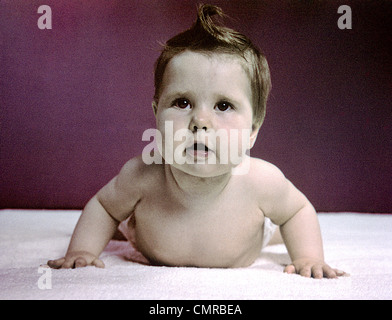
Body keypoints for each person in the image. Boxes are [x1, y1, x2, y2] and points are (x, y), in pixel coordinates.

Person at [48, 4, 346, 278]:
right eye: (182, 102)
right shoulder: (142, 176)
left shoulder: (261, 182)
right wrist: (83, 251)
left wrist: (308, 257)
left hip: (249, 235)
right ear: (156, 114)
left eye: (223, 106)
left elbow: (297, 210)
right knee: (121, 221)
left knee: (280, 226)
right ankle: (128, 227)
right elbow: (104, 206)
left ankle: (273, 231)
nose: (200, 121)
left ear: (253, 129)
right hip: (146, 233)